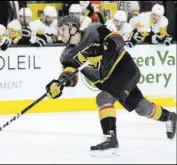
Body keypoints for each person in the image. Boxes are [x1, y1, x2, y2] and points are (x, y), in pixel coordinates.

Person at [45, 15, 177, 156]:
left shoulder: (94, 30)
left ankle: (110, 139)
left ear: (73, 28)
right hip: (109, 82)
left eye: (63, 29)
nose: (60, 34)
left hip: (124, 69)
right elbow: (71, 75)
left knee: (103, 98)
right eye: (59, 31)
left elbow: (118, 39)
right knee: (142, 108)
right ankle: (170, 117)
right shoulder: (66, 55)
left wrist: (102, 47)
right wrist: (59, 84)